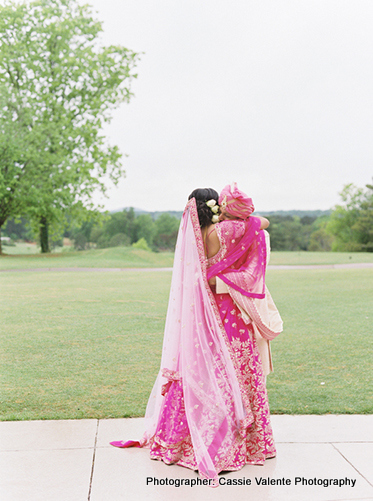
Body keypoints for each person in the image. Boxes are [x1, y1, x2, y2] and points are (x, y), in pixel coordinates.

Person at [111, 187, 281, 484]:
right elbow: (261, 222)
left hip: (200, 312)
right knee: (238, 372)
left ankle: (177, 441)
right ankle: (244, 443)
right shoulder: (227, 231)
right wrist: (238, 213)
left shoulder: (194, 234)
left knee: (198, 372)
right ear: (217, 206)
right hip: (228, 312)